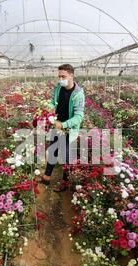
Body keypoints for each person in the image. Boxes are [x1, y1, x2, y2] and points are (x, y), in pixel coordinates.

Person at [37, 64, 85, 192]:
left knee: (66, 156)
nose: (60, 79)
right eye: (59, 76)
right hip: (57, 124)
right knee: (53, 150)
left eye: (63, 76)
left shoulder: (78, 94)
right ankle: (46, 177)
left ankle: (65, 183)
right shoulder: (59, 87)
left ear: (71, 75)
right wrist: (50, 108)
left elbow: (79, 116)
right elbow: (53, 101)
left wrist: (63, 125)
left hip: (69, 128)